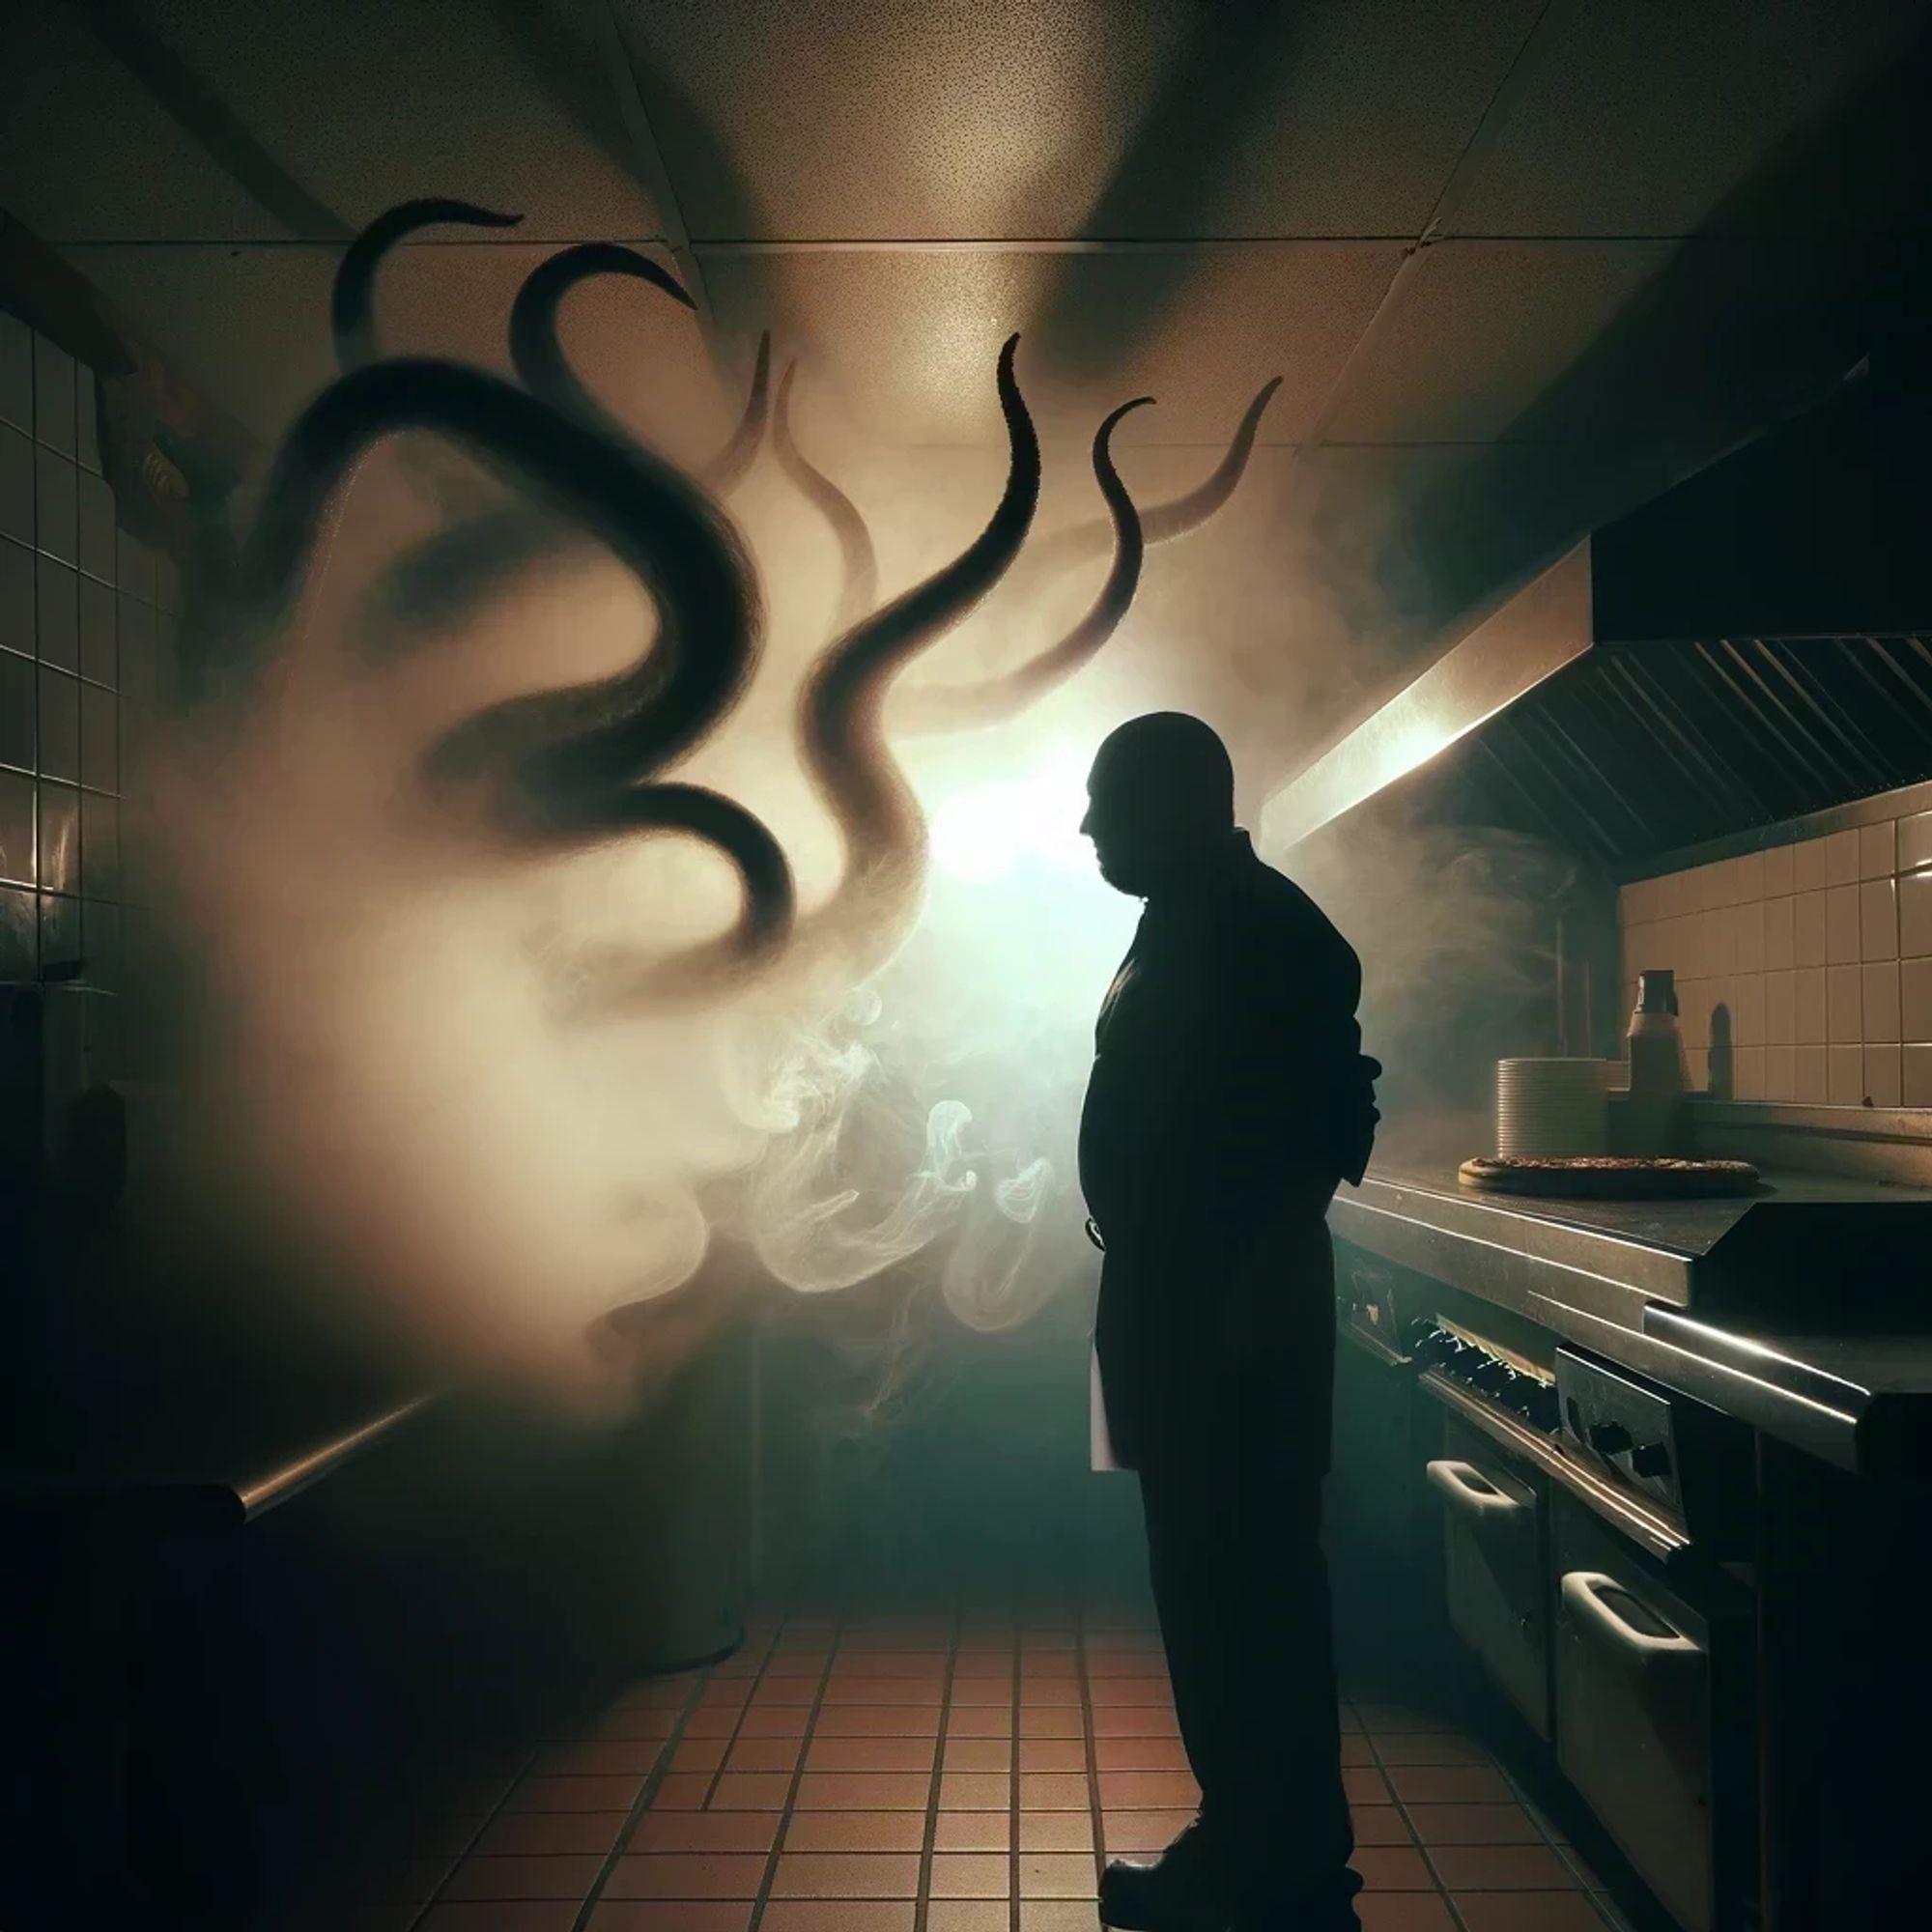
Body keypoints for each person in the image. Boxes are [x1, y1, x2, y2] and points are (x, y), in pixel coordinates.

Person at [1077, 713, 1380, 1932]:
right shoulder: (1202, 916)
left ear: (1176, 799)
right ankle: (1265, 1845)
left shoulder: (1257, 931)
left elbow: (1309, 1126)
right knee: (1216, 1587)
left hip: (1221, 1320)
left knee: (1235, 1587)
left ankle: (1265, 1859)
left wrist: (1230, 1295)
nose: (1087, 825)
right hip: (1180, 1306)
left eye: (1105, 800)